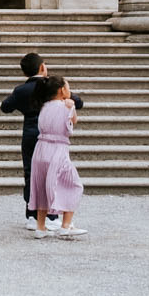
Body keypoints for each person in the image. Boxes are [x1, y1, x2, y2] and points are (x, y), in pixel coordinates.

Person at [2, 54, 87, 231]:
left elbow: (5, 106)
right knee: (55, 175)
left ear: (24, 72)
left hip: (31, 136)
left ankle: (32, 216)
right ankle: (53, 216)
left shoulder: (21, 91)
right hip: (54, 137)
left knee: (32, 174)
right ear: (42, 68)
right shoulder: (52, 89)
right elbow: (78, 102)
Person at [30, 76, 86, 239]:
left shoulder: (43, 106)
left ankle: (40, 227)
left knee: (40, 187)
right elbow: (73, 122)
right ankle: (65, 225)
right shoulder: (66, 106)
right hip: (58, 149)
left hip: (40, 148)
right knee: (73, 184)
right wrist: (72, 106)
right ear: (62, 90)